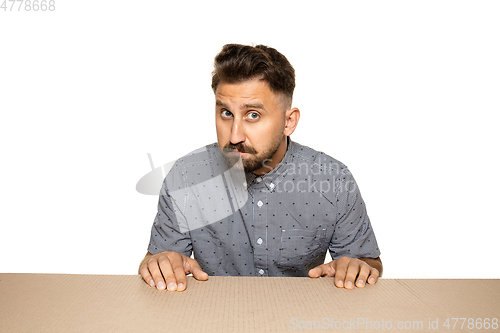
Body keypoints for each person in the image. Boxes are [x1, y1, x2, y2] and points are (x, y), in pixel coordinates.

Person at [139, 44, 382, 292]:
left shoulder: (333, 180)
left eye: (252, 115)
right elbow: (156, 261)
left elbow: (368, 263)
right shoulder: (185, 177)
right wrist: (159, 263)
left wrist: (356, 268)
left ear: (289, 121)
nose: (234, 136)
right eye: (225, 113)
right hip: (214, 317)